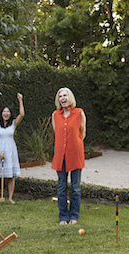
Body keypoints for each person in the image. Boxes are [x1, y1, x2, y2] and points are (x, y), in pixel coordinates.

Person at [51, 87, 86, 225]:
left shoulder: (79, 113)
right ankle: (63, 216)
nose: (63, 98)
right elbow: (57, 133)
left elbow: (82, 132)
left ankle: (74, 216)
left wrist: (74, 144)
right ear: (58, 100)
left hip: (75, 153)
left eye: (65, 95)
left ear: (70, 97)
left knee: (76, 187)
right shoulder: (55, 115)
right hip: (60, 155)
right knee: (62, 186)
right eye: (60, 96)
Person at [0, 93, 25, 206]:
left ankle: (10, 198)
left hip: (10, 150)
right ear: (1, 113)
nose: (6, 113)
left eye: (8, 112)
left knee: (11, 176)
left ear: (11, 114)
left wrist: (20, 100)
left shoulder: (13, 123)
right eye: (4, 111)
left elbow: (22, 114)